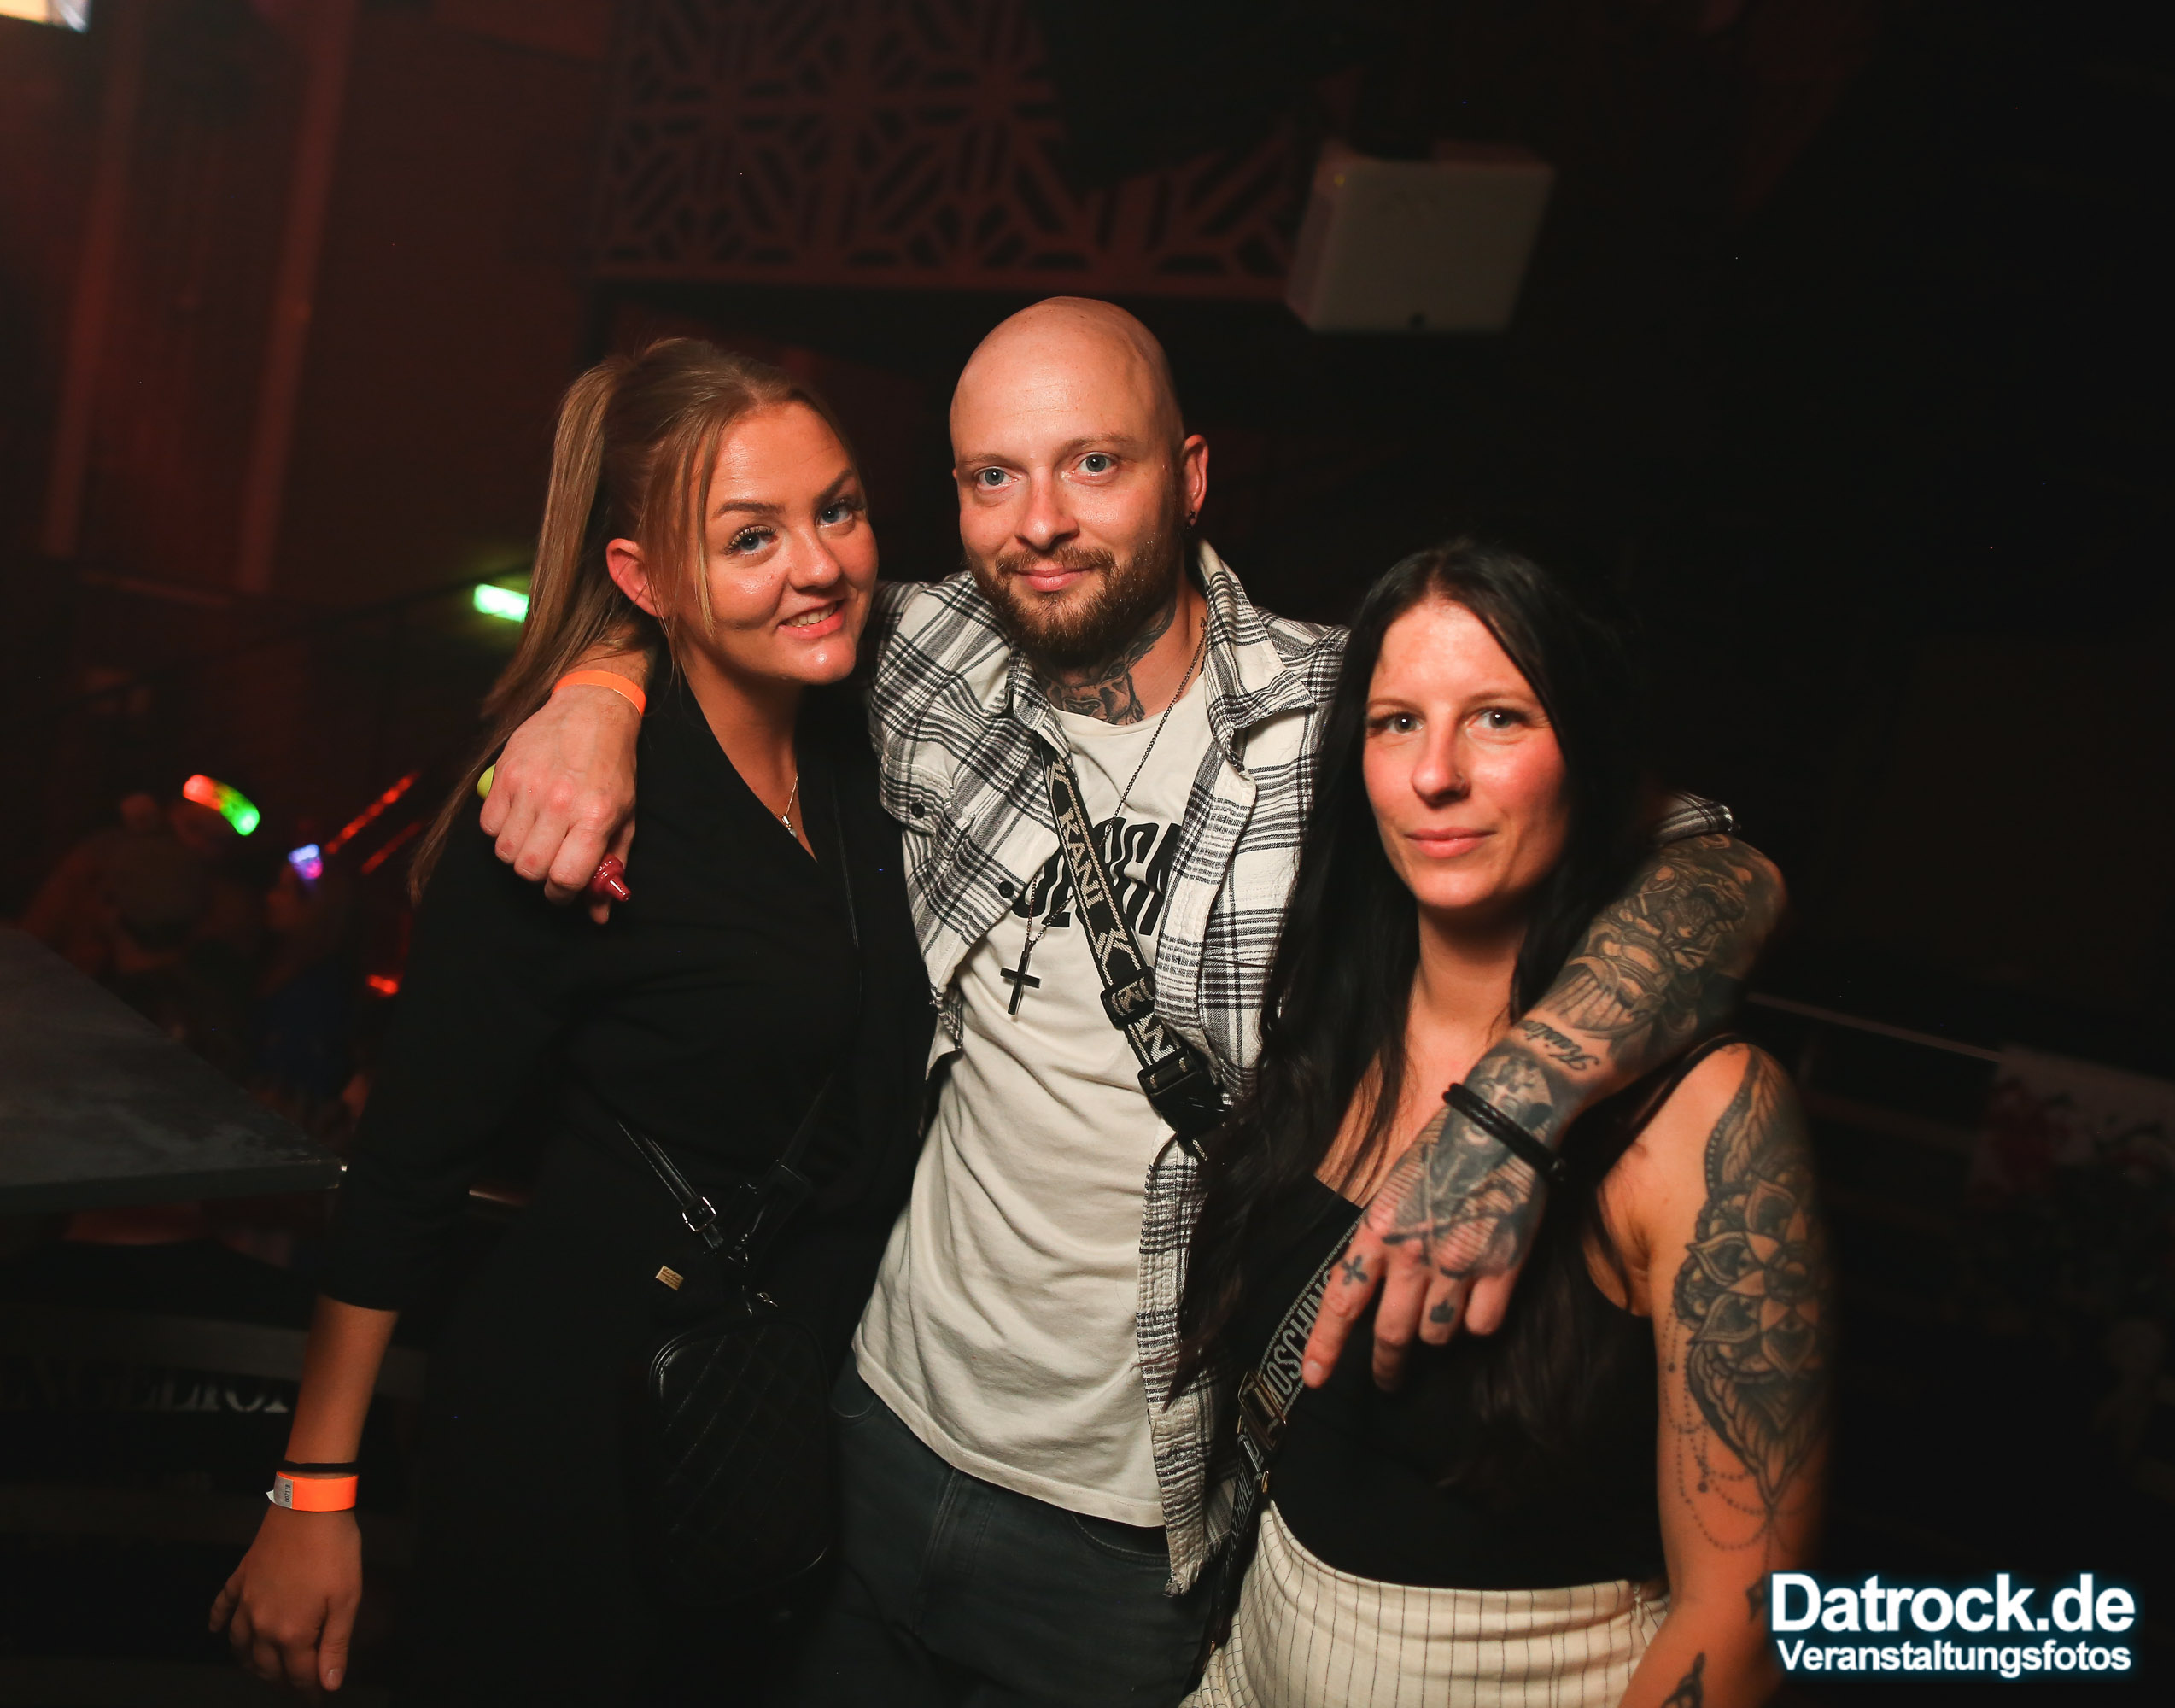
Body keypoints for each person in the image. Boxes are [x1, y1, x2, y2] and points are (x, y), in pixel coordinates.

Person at [481, 298, 1786, 1705]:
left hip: (1131, 1536)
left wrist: (1515, 1110)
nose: (1039, 522)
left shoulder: (1348, 714)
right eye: (992, 477)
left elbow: (1719, 864)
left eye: (1094, 464)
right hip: (872, 1431)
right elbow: (718, 606)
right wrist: (598, 693)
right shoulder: (921, 652)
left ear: (1191, 475)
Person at [207, 340, 933, 1703]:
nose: (821, 564)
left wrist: (605, 674)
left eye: (837, 509)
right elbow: (408, 1162)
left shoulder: (862, 744)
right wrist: (313, 1489)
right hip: (576, 1429)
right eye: (751, 537)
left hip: (770, 1421)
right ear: (643, 581)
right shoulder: (566, 814)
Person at [1178, 541, 1830, 1707]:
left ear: (1592, 750)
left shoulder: (1707, 1115)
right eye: (1396, 723)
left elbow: (1748, 1614)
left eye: (1498, 718)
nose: (1435, 775)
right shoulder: (1333, 1023)